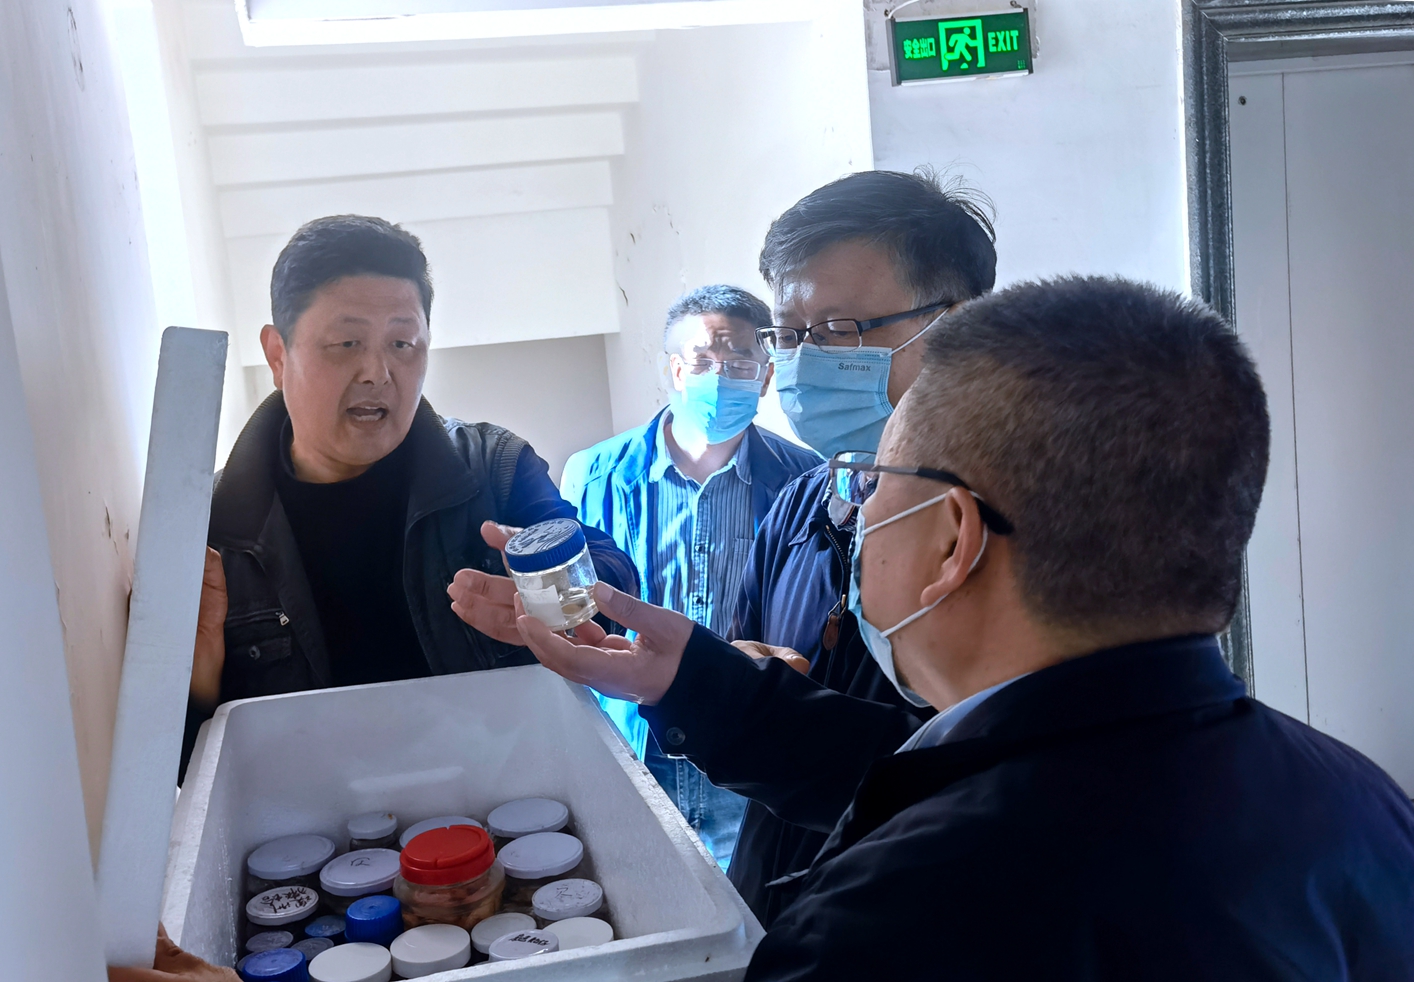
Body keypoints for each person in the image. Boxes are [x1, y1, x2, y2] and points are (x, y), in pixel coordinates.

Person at [499, 276, 1414, 979]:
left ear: (951, 538)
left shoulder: (895, 915)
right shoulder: (1362, 806)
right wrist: (690, 678)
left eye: (873, 484)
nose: (854, 512)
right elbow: (917, 770)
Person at [181, 215, 638, 779]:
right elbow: (185, 775)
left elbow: (614, 578)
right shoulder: (213, 530)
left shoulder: (492, 470)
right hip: (314, 827)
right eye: (346, 343)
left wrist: (559, 592)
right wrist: (199, 688)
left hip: (510, 808)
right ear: (278, 355)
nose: (378, 373)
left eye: (402, 344)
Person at [728, 167, 998, 922]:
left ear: (957, 326)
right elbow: (746, 649)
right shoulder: (798, 505)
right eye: (789, 335)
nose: (805, 361)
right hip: (775, 904)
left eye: (839, 330)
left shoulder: (1004, 531)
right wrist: (737, 676)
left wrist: (735, 709)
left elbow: (970, 772)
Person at [560, 285, 821, 870]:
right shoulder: (593, 474)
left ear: (766, 376)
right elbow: (574, 604)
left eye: (740, 362)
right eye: (703, 360)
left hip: (744, 738)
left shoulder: (805, 479)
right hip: (632, 735)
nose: (720, 377)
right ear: (675, 371)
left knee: (744, 896)